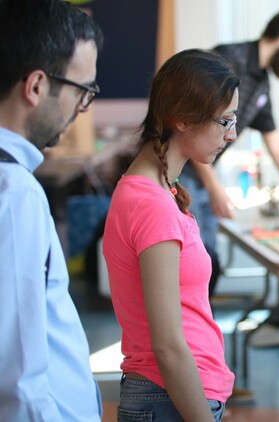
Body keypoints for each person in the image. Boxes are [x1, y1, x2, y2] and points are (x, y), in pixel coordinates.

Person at [102, 49, 238, 421]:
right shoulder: (151, 204)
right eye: (224, 121)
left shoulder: (156, 191)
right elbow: (167, 345)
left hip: (168, 395)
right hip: (168, 398)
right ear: (181, 118)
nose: (232, 134)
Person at [0, 0, 103, 420]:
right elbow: (18, 378)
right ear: (37, 86)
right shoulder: (15, 194)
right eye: (83, 92)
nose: (82, 110)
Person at [179, 9, 279, 296]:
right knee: (196, 265)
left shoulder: (262, 83)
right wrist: (214, 187)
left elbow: (275, 142)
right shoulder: (228, 59)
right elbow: (194, 126)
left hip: (203, 177)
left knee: (209, 264)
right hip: (182, 174)